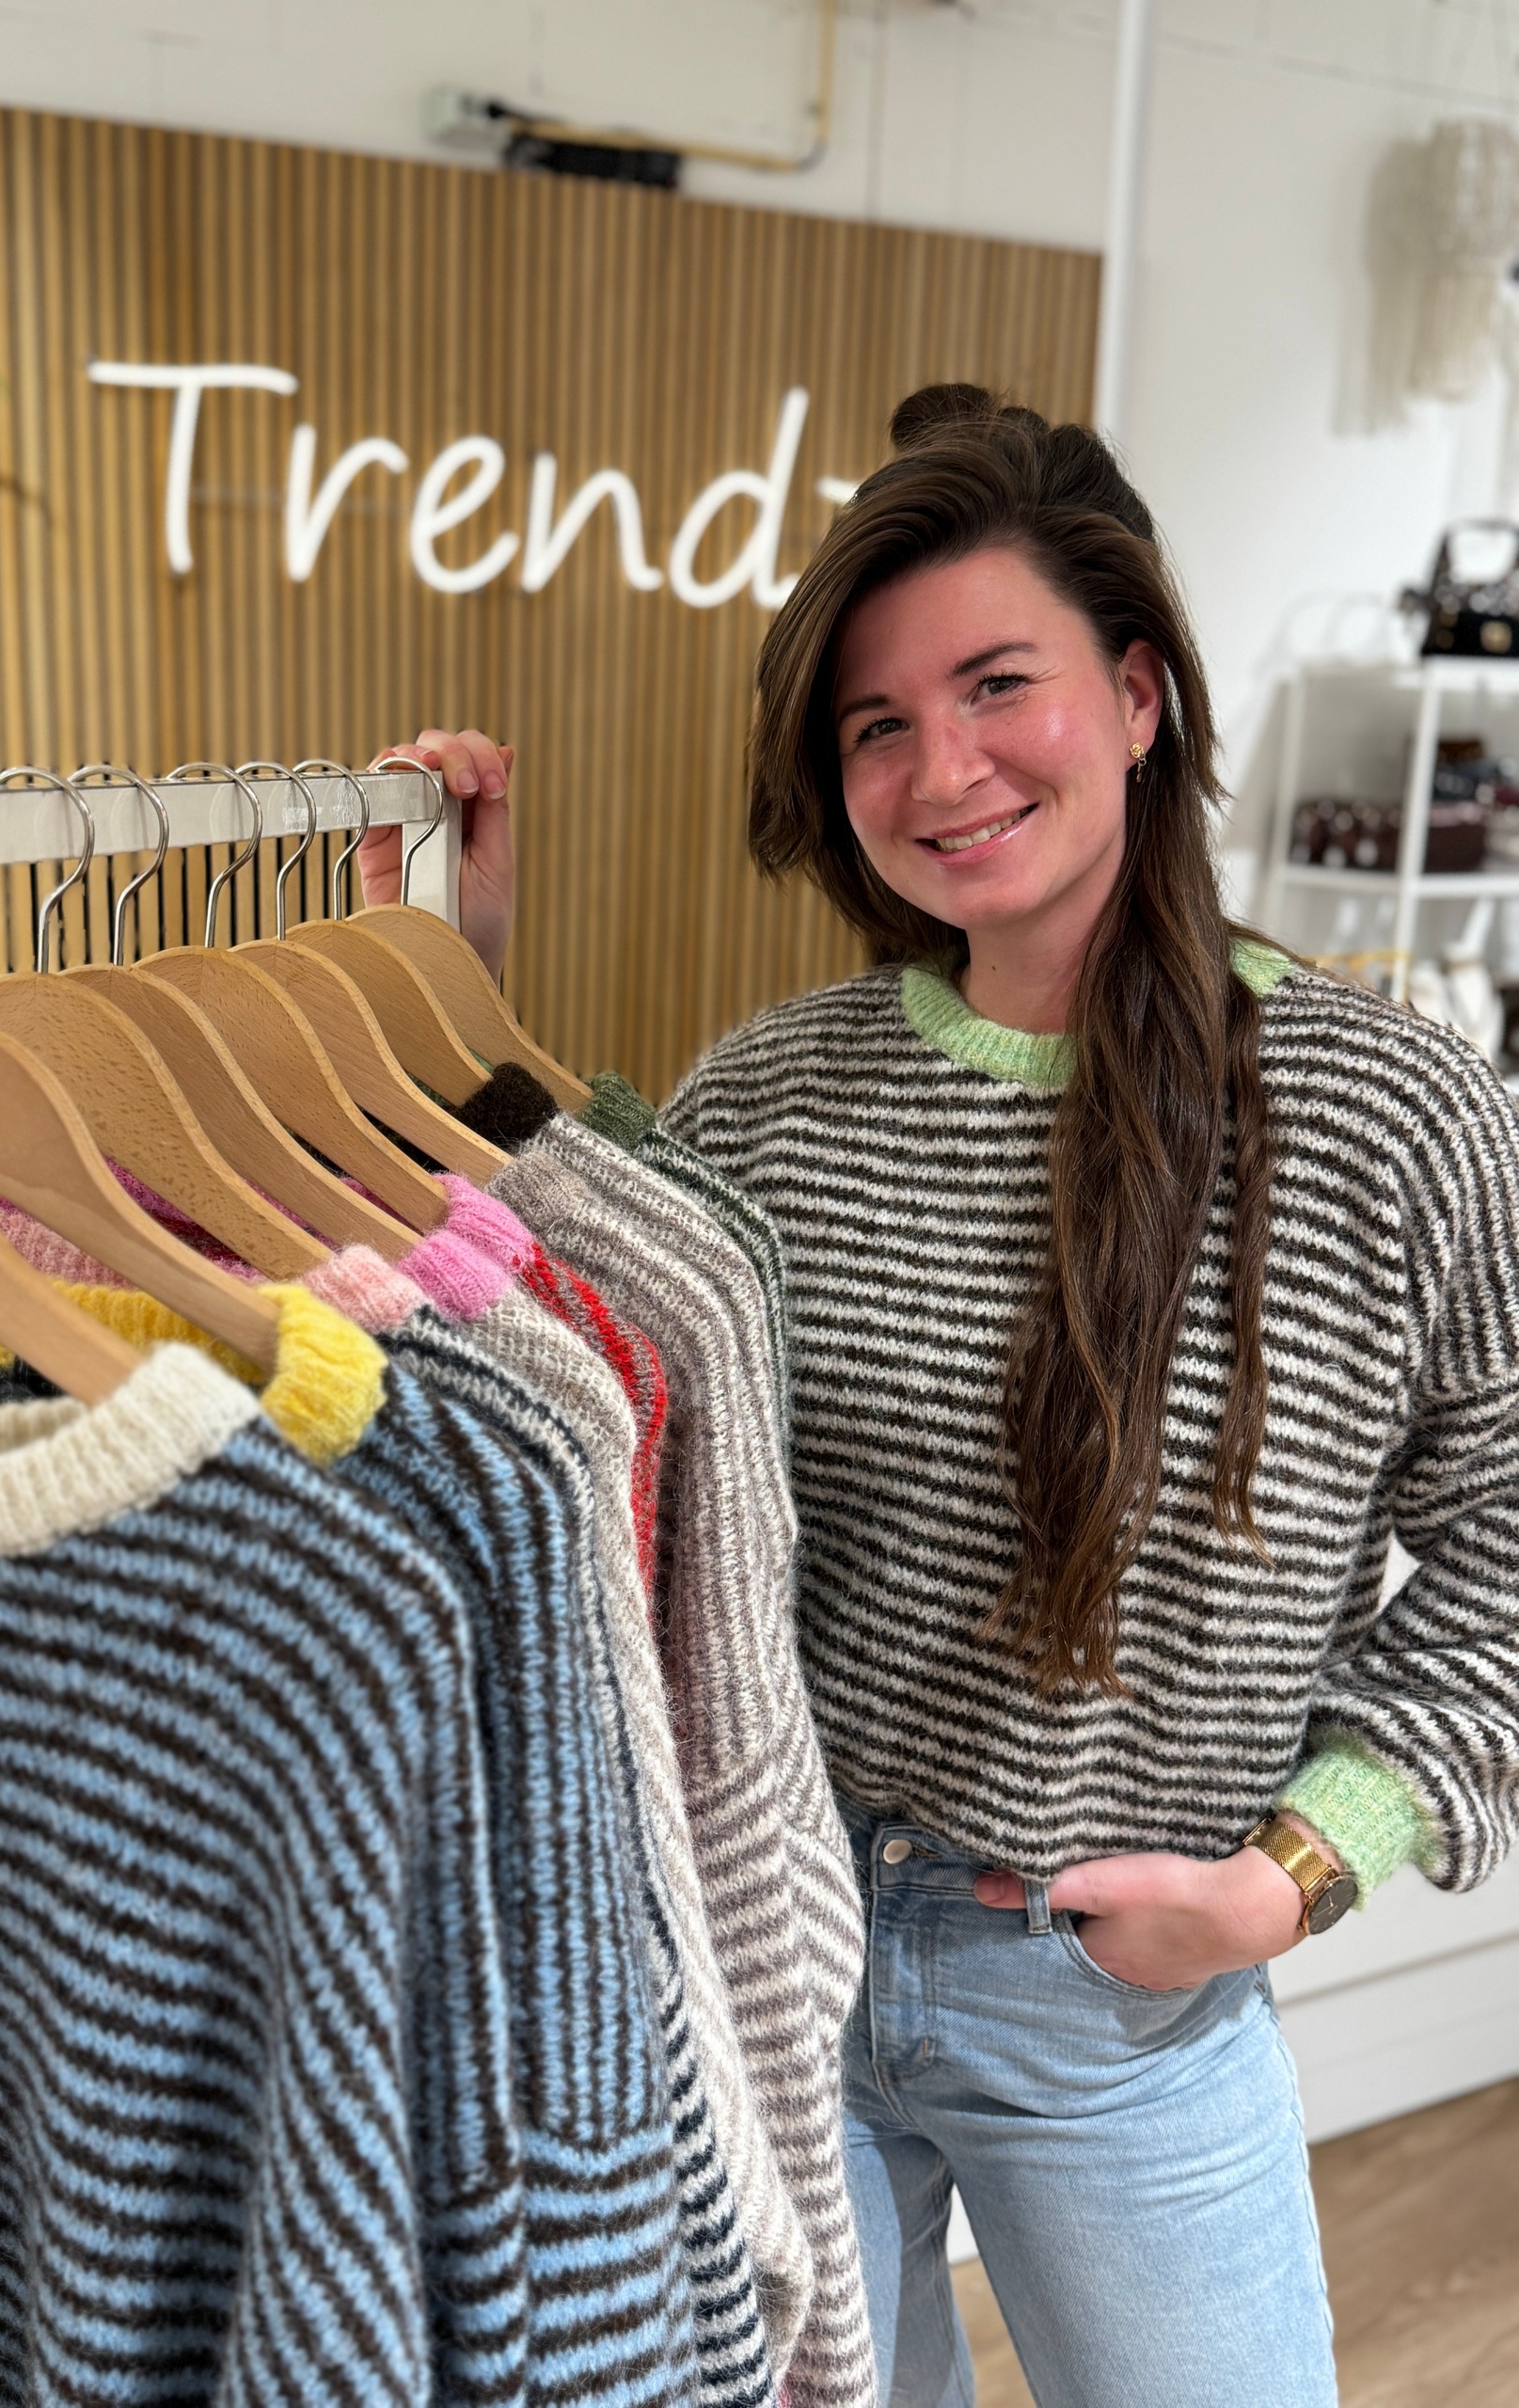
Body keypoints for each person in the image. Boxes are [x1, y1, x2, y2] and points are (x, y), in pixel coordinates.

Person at [368, 388, 1519, 2408]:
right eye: (876, 724)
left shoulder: (1378, 1111)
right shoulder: (773, 1094)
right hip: (776, 1955)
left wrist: (1291, 1872)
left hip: (1122, 2000)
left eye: (999, 684)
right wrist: (454, 989)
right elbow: (572, 1387)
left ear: (1139, 693)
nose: (943, 767)